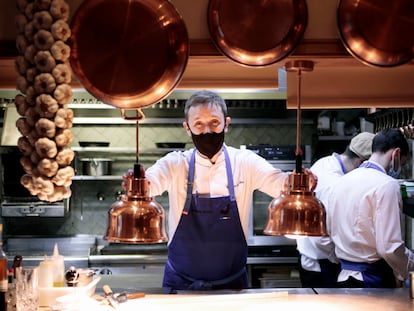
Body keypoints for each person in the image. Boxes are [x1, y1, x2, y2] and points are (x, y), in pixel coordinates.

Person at [123, 90, 316, 293]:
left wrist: (299, 181)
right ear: (187, 128)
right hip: (181, 285)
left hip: (232, 286)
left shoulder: (245, 161)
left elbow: (279, 183)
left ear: (227, 123)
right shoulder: (174, 163)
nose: (207, 130)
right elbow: (150, 184)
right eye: (198, 124)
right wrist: (137, 184)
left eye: (214, 122)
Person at [327, 128, 414, 288]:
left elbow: (329, 232)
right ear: (395, 154)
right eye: (402, 163)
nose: (399, 169)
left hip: (343, 278)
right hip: (372, 280)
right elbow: (389, 248)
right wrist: (410, 266)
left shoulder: (340, 181)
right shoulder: (387, 185)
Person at [296, 131, 375, 288]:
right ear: (361, 163)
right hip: (321, 260)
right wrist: (338, 258)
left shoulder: (326, 162)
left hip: (315, 255)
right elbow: (320, 233)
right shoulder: (333, 182)